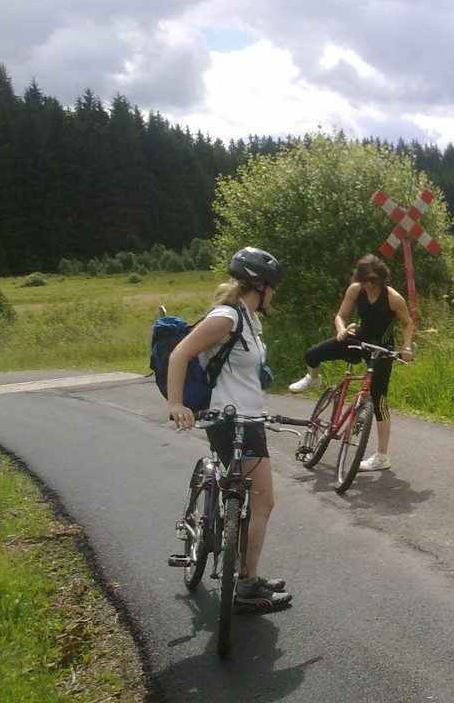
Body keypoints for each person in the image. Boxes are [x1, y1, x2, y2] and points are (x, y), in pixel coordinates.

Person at [167, 246, 292, 611]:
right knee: (263, 500)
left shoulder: (248, 319)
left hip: (249, 419)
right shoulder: (227, 316)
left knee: (245, 497)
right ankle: (247, 586)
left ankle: (243, 572)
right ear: (261, 286)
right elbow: (180, 354)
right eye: (272, 286)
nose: (274, 293)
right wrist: (176, 404)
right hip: (230, 421)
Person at [288, 254, 415, 471]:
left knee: (379, 400)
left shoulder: (393, 298)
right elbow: (341, 316)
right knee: (311, 355)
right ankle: (313, 378)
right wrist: (341, 330)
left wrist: (407, 348)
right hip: (358, 336)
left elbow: (407, 323)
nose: (368, 284)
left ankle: (382, 457)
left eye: (373, 280)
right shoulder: (355, 290)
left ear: (382, 278)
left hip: (381, 347)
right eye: (364, 279)